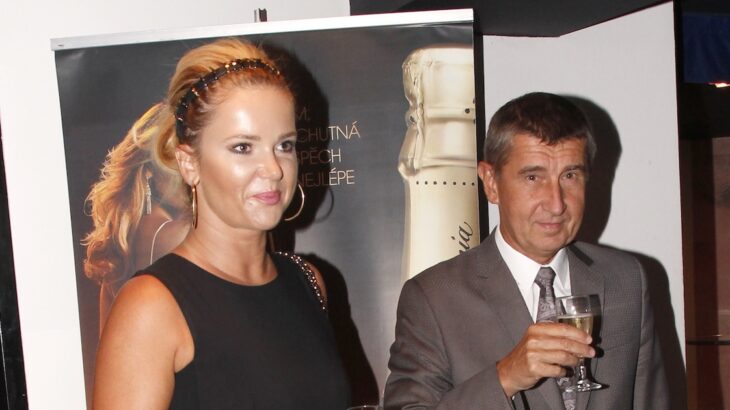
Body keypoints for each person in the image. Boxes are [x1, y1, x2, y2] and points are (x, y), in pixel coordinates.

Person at [93, 38, 350, 409]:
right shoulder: (152, 306)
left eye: (284, 145)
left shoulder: (307, 281)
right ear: (189, 163)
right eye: (243, 147)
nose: (273, 169)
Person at [384, 92, 669, 409]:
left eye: (570, 176)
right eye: (533, 177)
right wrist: (505, 377)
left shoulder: (625, 280)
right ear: (491, 183)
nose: (556, 203)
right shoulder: (433, 298)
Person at [83, 104, 190, 335]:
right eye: (174, 162)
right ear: (149, 172)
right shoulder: (180, 233)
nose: (189, 174)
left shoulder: (118, 246)